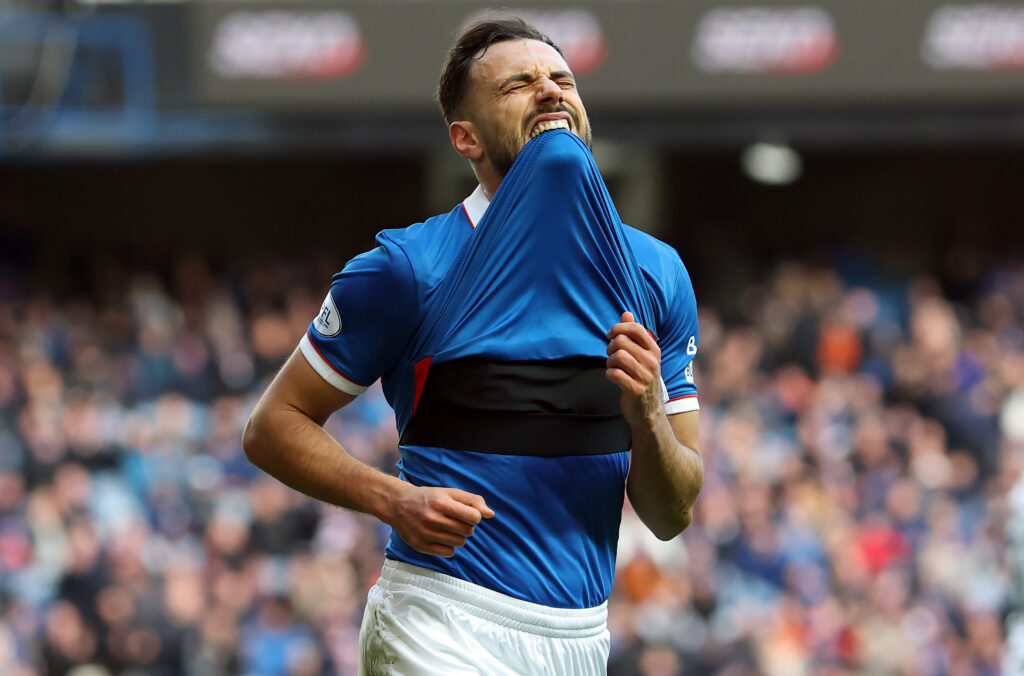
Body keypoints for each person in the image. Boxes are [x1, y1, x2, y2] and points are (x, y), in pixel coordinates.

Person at [243, 13, 704, 675]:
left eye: (562, 80)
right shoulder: (405, 268)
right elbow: (271, 426)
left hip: (580, 639)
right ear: (466, 138)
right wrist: (392, 500)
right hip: (441, 621)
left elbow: (672, 514)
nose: (550, 92)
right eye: (518, 84)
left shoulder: (656, 274)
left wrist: (649, 416)